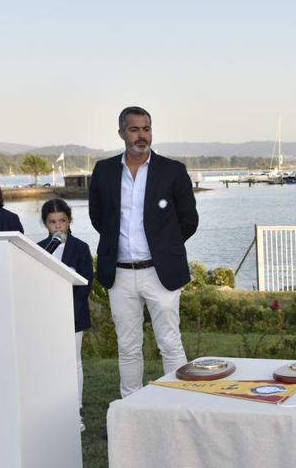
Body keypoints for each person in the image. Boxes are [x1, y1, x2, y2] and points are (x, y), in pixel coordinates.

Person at [89, 106, 199, 398]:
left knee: (170, 342)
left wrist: (166, 247)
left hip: (160, 272)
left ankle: (177, 405)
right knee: (127, 346)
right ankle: (131, 408)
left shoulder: (173, 171)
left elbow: (189, 221)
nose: (142, 135)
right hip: (121, 274)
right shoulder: (103, 171)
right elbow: (99, 218)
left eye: (146, 129)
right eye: (135, 129)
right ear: (121, 132)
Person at [38, 198, 92, 431]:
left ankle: (75, 410)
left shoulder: (80, 248)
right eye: (52, 222)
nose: (58, 226)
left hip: (73, 314)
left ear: (69, 221)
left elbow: (85, 284)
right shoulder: (40, 248)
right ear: (45, 224)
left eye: (62, 221)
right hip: (46, 315)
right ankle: (51, 409)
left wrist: (68, 310)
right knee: (49, 362)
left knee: (73, 362)